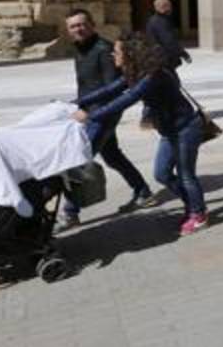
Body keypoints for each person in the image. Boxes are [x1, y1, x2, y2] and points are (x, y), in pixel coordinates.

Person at [74, 34, 209, 236]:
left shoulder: (152, 76)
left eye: (117, 51)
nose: (113, 55)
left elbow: (128, 98)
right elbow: (110, 90)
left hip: (185, 129)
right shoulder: (136, 72)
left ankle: (198, 214)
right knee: (161, 174)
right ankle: (192, 205)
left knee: (186, 175)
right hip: (169, 130)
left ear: (130, 53)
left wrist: (91, 115)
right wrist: (75, 103)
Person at [59, 10, 156, 230]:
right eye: (73, 26)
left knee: (79, 161)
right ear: (68, 30)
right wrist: (78, 105)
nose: (78, 29)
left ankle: (70, 213)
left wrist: (91, 113)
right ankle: (143, 192)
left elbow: (112, 88)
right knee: (112, 156)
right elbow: (86, 84)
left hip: (102, 114)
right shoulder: (79, 49)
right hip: (91, 112)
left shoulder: (103, 49)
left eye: (82, 25)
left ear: (92, 25)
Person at [146, 0, 191, 71]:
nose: (171, 9)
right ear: (163, 8)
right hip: (163, 59)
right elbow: (169, 41)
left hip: (158, 58)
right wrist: (183, 54)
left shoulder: (154, 20)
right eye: (169, 6)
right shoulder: (160, 22)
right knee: (171, 80)